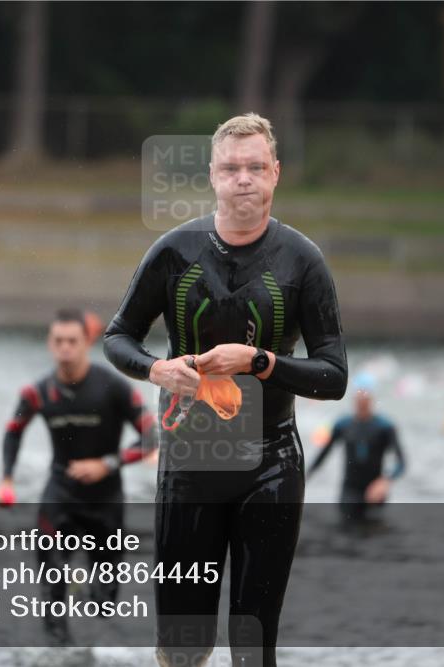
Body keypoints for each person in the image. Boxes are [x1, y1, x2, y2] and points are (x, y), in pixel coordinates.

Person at [103, 113, 347, 666]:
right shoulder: (173, 252)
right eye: (232, 168)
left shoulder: (303, 260)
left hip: (271, 462)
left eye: (256, 167)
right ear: (213, 175)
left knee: (252, 644)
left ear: (275, 174)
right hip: (190, 463)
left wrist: (260, 361)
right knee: (182, 644)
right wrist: (155, 371)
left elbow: (334, 375)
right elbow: (119, 338)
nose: (244, 179)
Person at [0, 307, 155, 645]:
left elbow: (151, 436)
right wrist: (7, 479)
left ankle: (86, 592)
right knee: (52, 586)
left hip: (105, 500)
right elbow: (13, 432)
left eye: (72, 341)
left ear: (87, 342)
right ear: (49, 344)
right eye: (58, 341)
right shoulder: (36, 392)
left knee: (104, 601)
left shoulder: (113, 386)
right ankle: (59, 651)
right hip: (60, 497)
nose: (65, 348)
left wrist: (107, 464)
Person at [308, 389, 406, 527]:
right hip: (350, 490)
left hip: (375, 491)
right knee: (346, 533)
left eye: (365, 399)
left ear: (371, 401)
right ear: (354, 402)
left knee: (377, 533)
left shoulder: (385, 427)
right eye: (359, 399)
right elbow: (323, 454)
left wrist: (385, 481)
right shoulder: (343, 425)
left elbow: (401, 463)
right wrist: (306, 476)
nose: (362, 403)